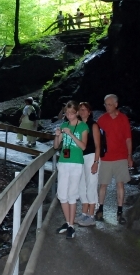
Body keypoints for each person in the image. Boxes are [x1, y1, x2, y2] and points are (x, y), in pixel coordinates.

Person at [53, 101, 88, 239]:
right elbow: (56, 146)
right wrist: (57, 135)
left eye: (72, 113)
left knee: (72, 194)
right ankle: (68, 223)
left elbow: (83, 146)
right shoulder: (64, 125)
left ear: (77, 113)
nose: (69, 116)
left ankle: (71, 225)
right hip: (63, 163)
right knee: (62, 194)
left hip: (76, 164)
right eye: (67, 114)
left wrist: (71, 135)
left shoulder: (83, 127)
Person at [96, 94, 133, 225]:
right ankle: (99, 210)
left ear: (116, 104)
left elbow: (128, 138)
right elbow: (96, 138)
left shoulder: (123, 119)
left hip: (121, 156)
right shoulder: (101, 120)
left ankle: (119, 212)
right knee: (103, 185)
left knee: (120, 184)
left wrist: (129, 156)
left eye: (109, 104)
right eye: (105, 104)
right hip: (105, 157)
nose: (107, 107)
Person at [75, 102, 101, 227]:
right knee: (81, 185)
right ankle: (84, 213)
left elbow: (97, 146)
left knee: (91, 184)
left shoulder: (93, 125)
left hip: (91, 157)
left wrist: (96, 162)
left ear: (89, 112)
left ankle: (91, 215)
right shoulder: (78, 125)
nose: (82, 111)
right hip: (80, 158)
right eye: (80, 109)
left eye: (85, 109)